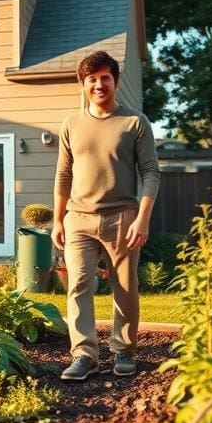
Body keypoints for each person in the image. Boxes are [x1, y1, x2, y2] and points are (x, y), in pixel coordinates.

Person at [51, 51, 160, 380]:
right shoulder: (71, 124)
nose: (99, 84)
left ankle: (123, 351)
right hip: (78, 219)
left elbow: (151, 173)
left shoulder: (134, 122)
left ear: (115, 81)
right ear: (83, 84)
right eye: (92, 79)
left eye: (105, 77)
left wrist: (142, 219)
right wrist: (57, 219)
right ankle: (85, 354)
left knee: (125, 287)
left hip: (122, 218)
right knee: (79, 286)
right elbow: (63, 175)